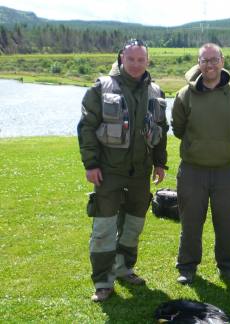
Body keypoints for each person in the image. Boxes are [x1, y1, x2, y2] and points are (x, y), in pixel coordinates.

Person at [77, 39, 168, 301]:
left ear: (147, 61)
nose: (136, 64)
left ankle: (124, 268)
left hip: (141, 172)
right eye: (131, 59)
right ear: (121, 58)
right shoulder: (101, 88)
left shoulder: (156, 91)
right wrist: (91, 164)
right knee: (104, 227)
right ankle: (103, 282)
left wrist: (160, 162)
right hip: (108, 171)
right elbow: (87, 128)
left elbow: (162, 131)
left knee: (134, 224)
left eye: (141, 59)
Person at [172, 43, 230, 284]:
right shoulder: (185, 95)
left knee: (226, 221)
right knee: (191, 221)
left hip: (226, 170)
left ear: (222, 62)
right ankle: (187, 267)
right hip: (193, 170)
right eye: (205, 60)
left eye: (214, 59)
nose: (210, 65)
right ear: (199, 63)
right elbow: (178, 128)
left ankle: (228, 267)